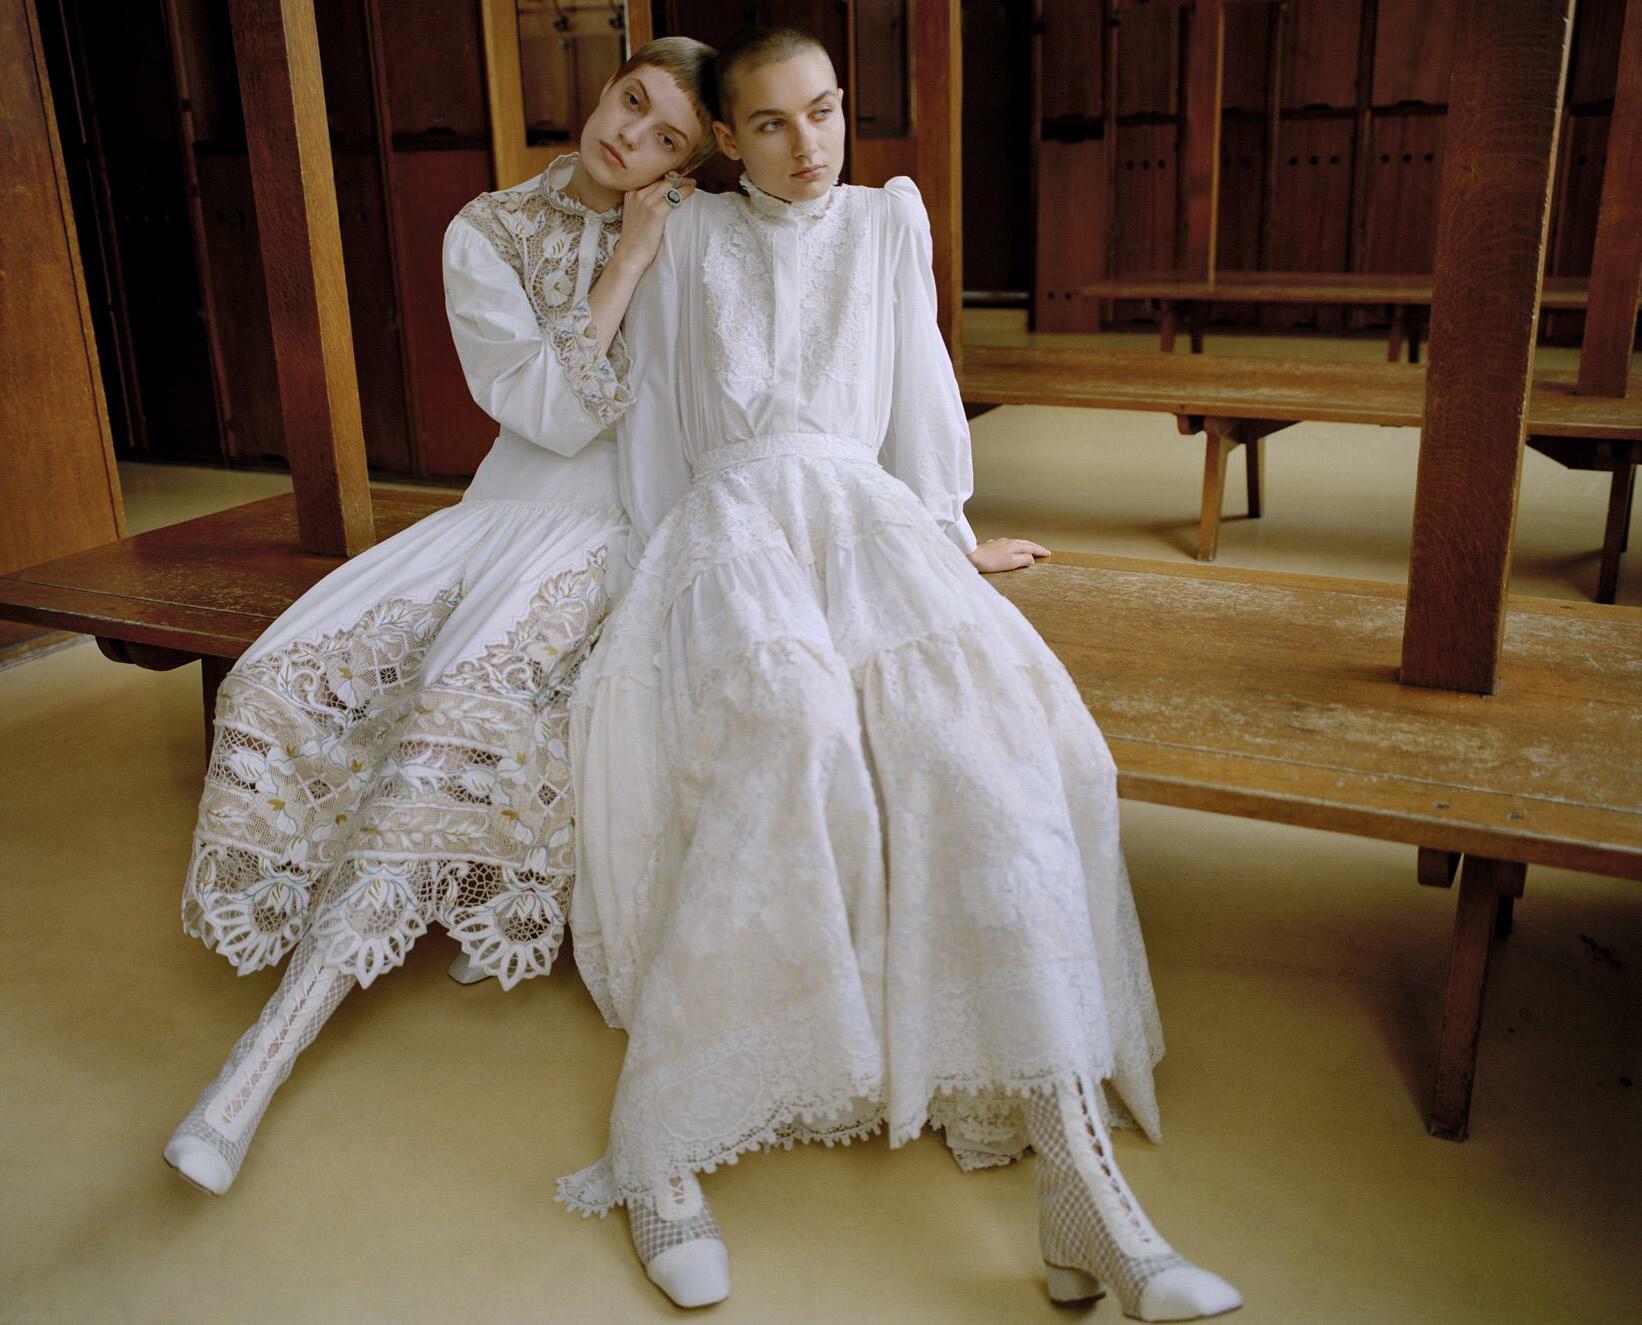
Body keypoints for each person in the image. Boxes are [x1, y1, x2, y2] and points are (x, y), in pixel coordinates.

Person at [559, 28, 1241, 1319]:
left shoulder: (887, 222)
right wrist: (643, 585)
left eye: (824, 111)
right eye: (771, 123)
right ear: (726, 138)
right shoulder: (686, 235)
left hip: (868, 525)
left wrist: (948, 539)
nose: (808, 145)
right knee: (795, 723)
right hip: (729, 529)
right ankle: (661, 1145)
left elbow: (921, 396)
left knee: (987, 744)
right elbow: (649, 418)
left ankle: (1084, 1193)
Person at [162, 37, 715, 1198]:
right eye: (630, 102)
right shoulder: (488, 229)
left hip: (635, 522)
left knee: (457, 709)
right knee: (273, 676)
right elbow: (549, 414)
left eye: (667, 137)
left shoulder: (700, 230)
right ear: (606, 83)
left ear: (689, 162)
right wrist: (627, 259)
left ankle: (254, 1067)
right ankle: (419, 895)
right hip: (510, 508)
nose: (629, 138)